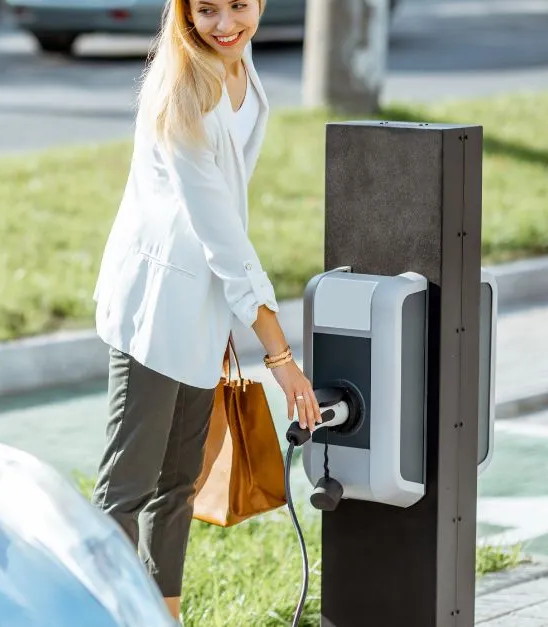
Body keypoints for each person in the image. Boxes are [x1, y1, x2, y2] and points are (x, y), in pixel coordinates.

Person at [89, 0, 323, 621]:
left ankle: (163, 616)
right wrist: (281, 358)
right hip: (157, 306)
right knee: (126, 489)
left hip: (203, 306)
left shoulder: (240, 66)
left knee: (177, 485)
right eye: (207, 9)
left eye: (238, 7)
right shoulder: (181, 97)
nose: (224, 25)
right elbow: (223, 235)